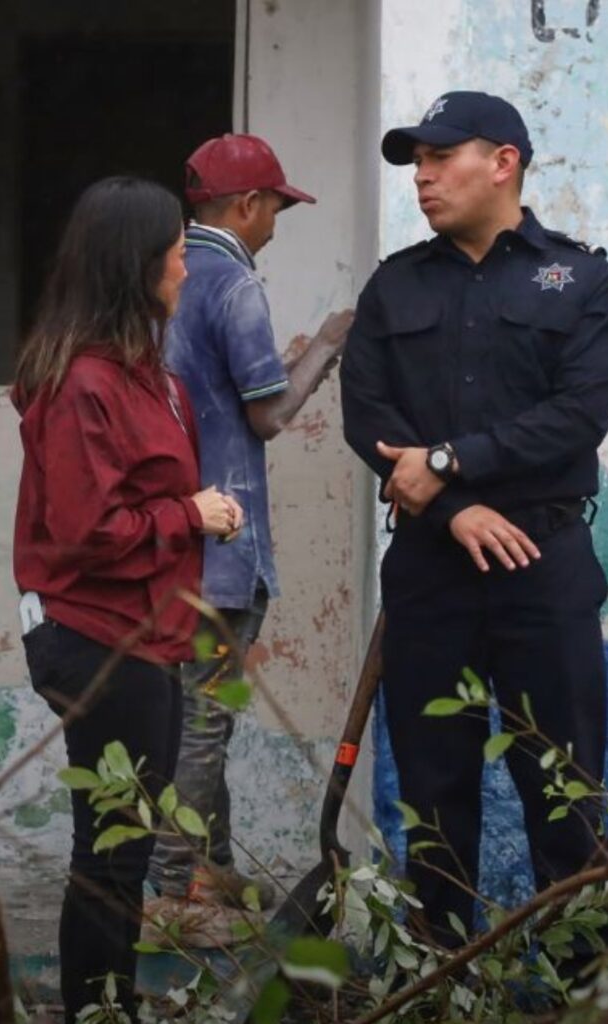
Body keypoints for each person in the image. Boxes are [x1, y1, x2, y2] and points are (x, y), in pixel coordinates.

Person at [340, 91, 608, 949]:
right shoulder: (396, 284)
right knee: (432, 798)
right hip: (431, 568)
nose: (422, 177)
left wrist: (446, 463)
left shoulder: (580, 281)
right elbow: (367, 417)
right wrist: (453, 509)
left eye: (440, 157)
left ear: (502, 162)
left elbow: (577, 415)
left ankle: (584, 990)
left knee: (564, 792)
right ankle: (441, 984)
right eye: (416, 163)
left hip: (543, 561)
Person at [13, 176, 242, 1022]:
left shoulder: (145, 374)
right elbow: (86, 530)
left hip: (146, 635)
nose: (186, 268)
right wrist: (189, 514)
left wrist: (194, 512)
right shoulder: (84, 383)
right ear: (136, 265)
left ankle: (106, 1006)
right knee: (111, 853)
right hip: (101, 637)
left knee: (126, 846)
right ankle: (98, 1010)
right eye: (177, 254)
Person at [145, 134, 353, 928]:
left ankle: (214, 866)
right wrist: (327, 343)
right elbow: (267, 415)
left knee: (197, 711)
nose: (273, 226)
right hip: (223, 546)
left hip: (168, 538)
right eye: (274, 210)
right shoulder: (233, 283)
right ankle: (174, 888)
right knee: (205, 723)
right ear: (246, 205)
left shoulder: (159, 272)